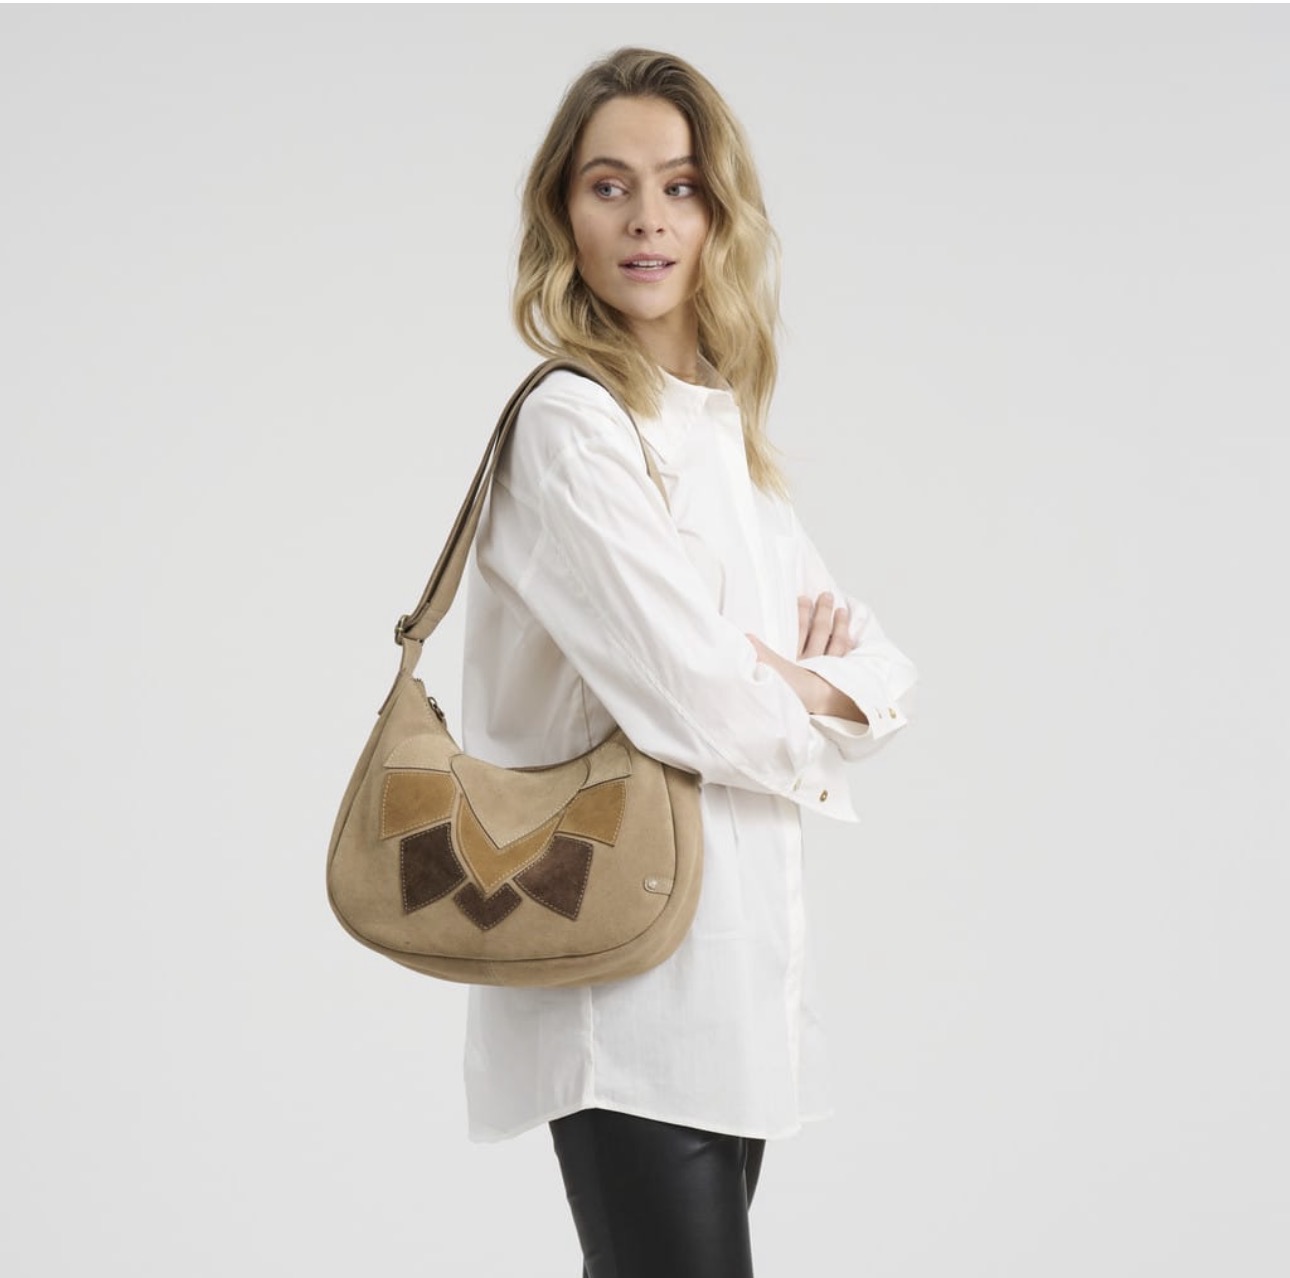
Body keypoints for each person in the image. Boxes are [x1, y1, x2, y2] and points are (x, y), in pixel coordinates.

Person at [460, 47, 917, 1278]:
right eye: (609, 186)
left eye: (681, 187)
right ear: (564, 212)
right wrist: (790, 683)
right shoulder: (573, 427)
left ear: (720, 216)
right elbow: (702, 705)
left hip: (733, 983)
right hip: (625, 988)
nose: (647, 219)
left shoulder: (725, 442)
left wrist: (796, 679)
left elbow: (886, 671)